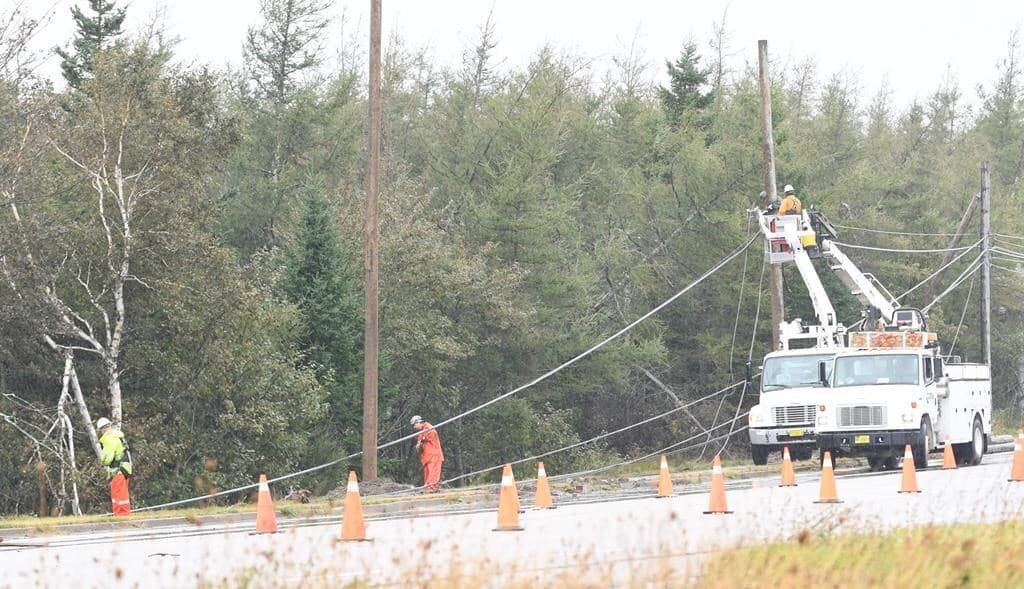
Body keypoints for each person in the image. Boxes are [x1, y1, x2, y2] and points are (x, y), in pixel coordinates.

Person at [97, 417, 132, 516]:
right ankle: (123, 514)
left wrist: (103, 460)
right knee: (122, 494)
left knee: (118, 494)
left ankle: (121, 515)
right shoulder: (118, 435)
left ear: (102, 429)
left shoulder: (109, 438)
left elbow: (107, 459)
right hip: (125, 468)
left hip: (118, 470)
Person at [411, 415, 444, 492]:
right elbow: (418, 446)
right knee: (428, 474)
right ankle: (427, 488)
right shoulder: (420, 432)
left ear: (418, 422)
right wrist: (418, 446)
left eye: (414, 425)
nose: (414, 427)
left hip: (434, 456)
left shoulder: (428, 427)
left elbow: (430, 435)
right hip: (426, 457)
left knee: (433, 473)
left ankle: (431, 488)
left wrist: (422, 441)